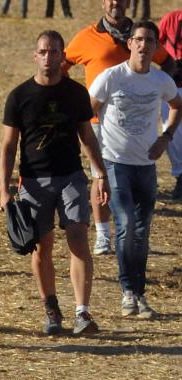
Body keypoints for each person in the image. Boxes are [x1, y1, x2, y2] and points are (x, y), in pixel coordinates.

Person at [0, 30, 110, 336]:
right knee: (41, 247)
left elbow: (87, 137)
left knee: (78, 237)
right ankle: (51, 308)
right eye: (43, 51)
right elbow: (8, 146)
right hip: (34, 180)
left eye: (54, 52)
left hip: (71, 176)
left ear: (63, 57)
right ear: (35, 56)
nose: (48, 57)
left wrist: (100, 174)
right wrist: (3, 189)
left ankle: (82, 312)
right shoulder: (19, 96)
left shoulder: (76, 93)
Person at [64, 0, 173, 256]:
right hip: (98, 122)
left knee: (130, 181)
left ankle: (132, 236)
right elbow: (62, 65)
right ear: (103, 2)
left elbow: (167, 62)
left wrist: (162, 92)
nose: (116, 3)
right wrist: (76, 97)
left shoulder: (139, 36)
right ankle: (103, 235)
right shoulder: (86, 36)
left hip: (135, 123)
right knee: (101, 177)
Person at [89, 20, 181, 319]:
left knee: (142, 231)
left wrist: (165, 138)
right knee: (126, 223)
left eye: (150, 40)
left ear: (156, 46)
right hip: (115, 162)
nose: (143, 45)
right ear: (129, 43)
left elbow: (177, 105)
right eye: (138, 39)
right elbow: (87, 114)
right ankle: (127, 290)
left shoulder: (160, 80)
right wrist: (96, 164)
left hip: (146, 166)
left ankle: (139, 293)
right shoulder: (111, 77)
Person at [158, 9, 182, 200]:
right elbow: (156, 45)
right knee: (172, 131)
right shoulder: (171, 18)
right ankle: (180, 175)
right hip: (173, 84)